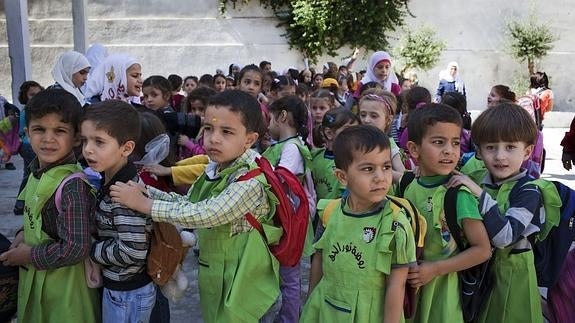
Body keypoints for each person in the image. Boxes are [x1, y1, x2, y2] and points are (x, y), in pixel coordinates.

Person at [109, 90, 281, 322]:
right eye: (209, 128)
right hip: (223, 278)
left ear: (249, 139)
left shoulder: (251, 180)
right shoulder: (215, 167)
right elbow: (188, 203)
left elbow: (206, 213)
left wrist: (146, 204)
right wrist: (148, 191)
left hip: (248, 284)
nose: (214, 138)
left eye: (227, 132)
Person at [0, 89, 100, 322]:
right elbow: (38, 216)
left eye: (59, 131)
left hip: (66, 293)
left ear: (76, 137)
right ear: (27, 133)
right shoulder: (37, 171)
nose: (48, 139)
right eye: (39, 130)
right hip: (38, 284)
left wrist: (29, 255)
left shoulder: (72, 186)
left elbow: (76, 247)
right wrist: (23, 233)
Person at [301, 125, 416, 323]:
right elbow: (319, 261)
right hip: (326, 308)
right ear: (342, 177)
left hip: (369, 314)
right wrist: (310, 307)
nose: (380, 177)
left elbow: (396, 286)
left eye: (386, 167)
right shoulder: (329, 212)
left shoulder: (395, 224)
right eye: (368, 169)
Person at [446, 103, 544, 323]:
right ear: (478, 151)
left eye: (510, 147)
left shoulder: (528, 190)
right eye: (491, 147)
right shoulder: (479, 176)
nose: (500, 156)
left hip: (513, 277)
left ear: (527, 151)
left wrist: (479, 194)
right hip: (481, 273)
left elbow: (505, 237)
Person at [401, 104, 491, 323]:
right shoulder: (407, 185)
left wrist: (436, 269)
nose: (449, 151)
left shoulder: (458, 195)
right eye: (438, 142)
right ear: (414, 150)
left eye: (456, 143)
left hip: (445, 290)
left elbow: (483, 250)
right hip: (410, 286)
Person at [81, 100, 155, 323]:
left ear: (126, 148)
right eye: (85, 140)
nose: (88, 149)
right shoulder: (111, 180)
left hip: (127, 295)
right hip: (122, 290)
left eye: (99, 142)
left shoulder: (123, 194)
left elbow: (132, 251)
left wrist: (90, 250)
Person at [262, 95, 313, 323]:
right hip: (284, 221)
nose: (268, 125)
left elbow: (280, 180)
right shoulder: (285, 146)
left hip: (289, 223)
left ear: (282, 116)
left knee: (289, 279)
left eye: (270, 119)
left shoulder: (291, 148)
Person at [310, 107, 360, 201]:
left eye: (356, 130)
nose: (355, 135)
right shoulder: (314, 157)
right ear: (329, 133)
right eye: (348, 130)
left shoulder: (354, 160)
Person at [358, 90, 406, 183]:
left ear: (388, 119)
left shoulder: (388, 144)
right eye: (363, 115)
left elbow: (402, 174)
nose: (366, 120)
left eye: (374, 116)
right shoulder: (356, 141)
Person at [13, 81, 44, 215]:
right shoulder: (29, 111)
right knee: (32, 175)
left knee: (29, 174)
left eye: (38, 94)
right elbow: (21, 131)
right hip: (28, 146)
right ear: (25, 96)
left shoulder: (31, 110)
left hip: (28, 145)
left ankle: (21, 204)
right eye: (32, 95)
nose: (35, 97)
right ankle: (21, 204)